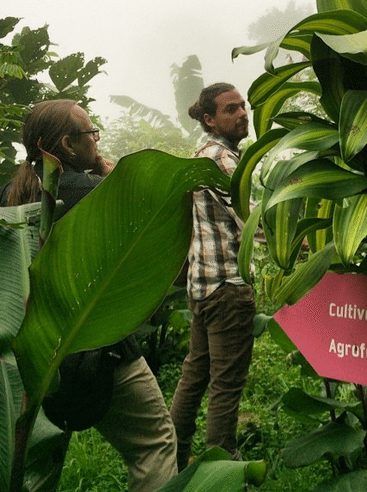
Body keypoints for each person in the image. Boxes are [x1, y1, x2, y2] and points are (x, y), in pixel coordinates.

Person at [0, 99, 178, 492]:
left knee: (36, 462)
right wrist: (110, 178)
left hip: (27, 362)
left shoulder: (8, 197)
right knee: (154, 443)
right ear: (67, 144)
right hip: (101, 350)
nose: (97, 140)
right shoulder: (99, 192)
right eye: (91, 133)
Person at [170, 83, 257, 470]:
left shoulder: (200, 156)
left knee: (195, 373)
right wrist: (295, 237)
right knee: (226, 384)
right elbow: (250, 216)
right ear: (210, 119)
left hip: (203, 287)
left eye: (243, 106)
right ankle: (222, 465)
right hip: (228, 289)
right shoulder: (222, 159)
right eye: (231, 109)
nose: (242, 114)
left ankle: (174, 453)